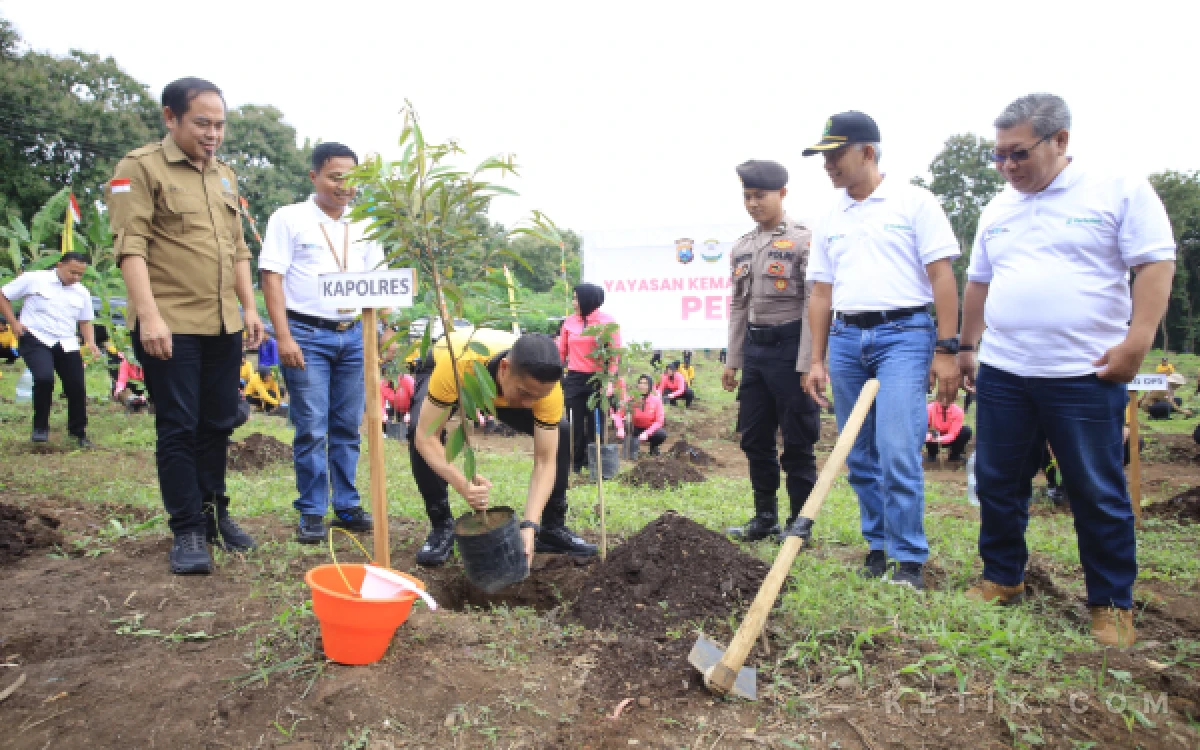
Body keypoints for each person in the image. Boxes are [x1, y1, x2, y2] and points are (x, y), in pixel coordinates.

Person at [958, 93, 1176, 648]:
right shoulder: (998, 207)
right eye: (998, 155)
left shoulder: (1117, 189)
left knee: (1095, 489)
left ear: (1060, 140)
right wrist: (965, 346)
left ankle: (1111, 603)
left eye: (1018, 153)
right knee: (998, 482)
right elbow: (978, 281)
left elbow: (1155, 263)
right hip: (1005, 370)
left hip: (1084, 372)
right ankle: (1002, 576)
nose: (1007, 166)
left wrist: (1138, 341)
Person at [109, 76, 266, 574]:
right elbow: (130, 246)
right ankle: (187, 529)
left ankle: (215, 515)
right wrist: (150, 316)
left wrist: (249, 308)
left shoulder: (224, 176)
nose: (213, 134)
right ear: (170, 117)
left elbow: (238, 249)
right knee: (179, 427)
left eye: (220, 125)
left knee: (218, 423)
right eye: (202, 123)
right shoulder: (139, 168)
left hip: (221, 323)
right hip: (170, 323)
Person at [802, 112, 962, 590]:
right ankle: (878, 545)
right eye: (824, 157)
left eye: (836, 155)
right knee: (858, 452)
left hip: (905, 334)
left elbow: (941, 276)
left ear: (867, 152)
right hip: (846, 338)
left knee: (897, 447)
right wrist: (816, 359)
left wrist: (946, 347)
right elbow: (821, 293)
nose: (828, 165)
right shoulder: (830, 217)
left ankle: (908, 556)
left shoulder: (914, 202)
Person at [259, 142, 383, 544]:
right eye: (335, 177)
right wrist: (283, 336)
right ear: (314, 177)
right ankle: (312, 510)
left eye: (352, 179)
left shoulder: (366, 223)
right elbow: (272, 278)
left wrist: (384, 331)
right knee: (311, 426)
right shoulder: (289, 218)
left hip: (354, 336)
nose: (344, 186)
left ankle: (346, 505)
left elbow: (378, 281)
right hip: (307, 335)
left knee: (347, 425)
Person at [409, 328, 596, 566]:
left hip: (501, 386)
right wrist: (463, 484)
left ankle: (552, 527)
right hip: (451, 369)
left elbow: (545, 462)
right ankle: (442, 525)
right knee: (418, 428)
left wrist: (529, 525)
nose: (529, 404)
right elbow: (425, 438)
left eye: (537, 397)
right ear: (505, 368)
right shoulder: (459, 364)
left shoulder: (545, 390)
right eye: (525, 393)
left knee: (561, 430)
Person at [721, 160, 821, 542]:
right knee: (754, 438)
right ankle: (765, 518)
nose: (752, 204)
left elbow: (812, 303)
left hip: (790, 349)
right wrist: (733, 359)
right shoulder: (742, 246)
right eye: (747, 197)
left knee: (797, 441)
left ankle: (800, 522)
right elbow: (738, 305)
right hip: (755, 352)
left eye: (760, 196)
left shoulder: (802, 240)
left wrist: (808, 362)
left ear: (782, 193)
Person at [0, 252, 101, 447]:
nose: (76, 277)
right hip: (36, 338)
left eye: (80, 274)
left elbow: (85, 321)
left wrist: (90, 342)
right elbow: (3, 295)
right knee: (44, 378)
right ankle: (40, 428)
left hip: (66, 342)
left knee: (76, 386)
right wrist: (13, 322)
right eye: (72, 272)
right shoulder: (34, 279)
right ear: (59, 265)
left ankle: (78, 433)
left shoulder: (82, 292)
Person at [558, 283, 621, 473]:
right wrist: (556, 374)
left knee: (596, 422)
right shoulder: (569, 322)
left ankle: (595, 463)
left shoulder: (607, 323)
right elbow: (561, 351)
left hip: (598, 378)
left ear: (587, 300)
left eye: (576, 298)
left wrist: (608, 382)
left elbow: (614, 355)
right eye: (573, 298)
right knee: (574, 423)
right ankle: (576, 463)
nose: (573, 302)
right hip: (574, 378)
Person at [624, 374, 667, 455]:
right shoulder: (632, 399)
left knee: (661, 434)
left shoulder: (656, 401)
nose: (642, 386)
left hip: (650, 428)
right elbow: (621, 413)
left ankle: (653, 447)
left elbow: (659, 421)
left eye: (645, 383)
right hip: (635, 428)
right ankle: (632, 446)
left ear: (650, 386)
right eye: (640, 383)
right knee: (626, 426)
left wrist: (647, 433)